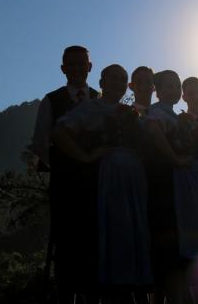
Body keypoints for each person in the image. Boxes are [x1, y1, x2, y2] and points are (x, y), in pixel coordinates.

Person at [52, 64, 158, 302]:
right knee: (114, 228)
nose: (118, 83)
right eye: (113, 78)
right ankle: (114, 287)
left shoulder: (131, 111)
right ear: (101, 83)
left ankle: (135, 284)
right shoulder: (89, 107)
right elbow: (59, 132)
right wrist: (86, 156)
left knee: (135, 229)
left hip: (135, 178)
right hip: (110, 177)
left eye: (122, 79)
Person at [29, 45, 99, 303]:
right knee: (66, 246)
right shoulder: (52, 100)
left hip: (96, 185)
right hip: (66, 186)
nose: (79, 68)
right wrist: (62, 165)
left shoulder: (99, 98)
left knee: (94, 244)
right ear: (63, 69)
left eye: (83, 64)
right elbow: (40, 143)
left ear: (90, 67)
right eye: (73, 64)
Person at [148, 70, 198, 304]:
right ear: (159, 91)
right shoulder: (159, 114)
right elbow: (154, 132)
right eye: (169, 87)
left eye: (175, 86)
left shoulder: (178, 117)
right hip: (175, 183)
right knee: (180, 245)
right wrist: (175, 158)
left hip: (197, 184)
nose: (173, 91)